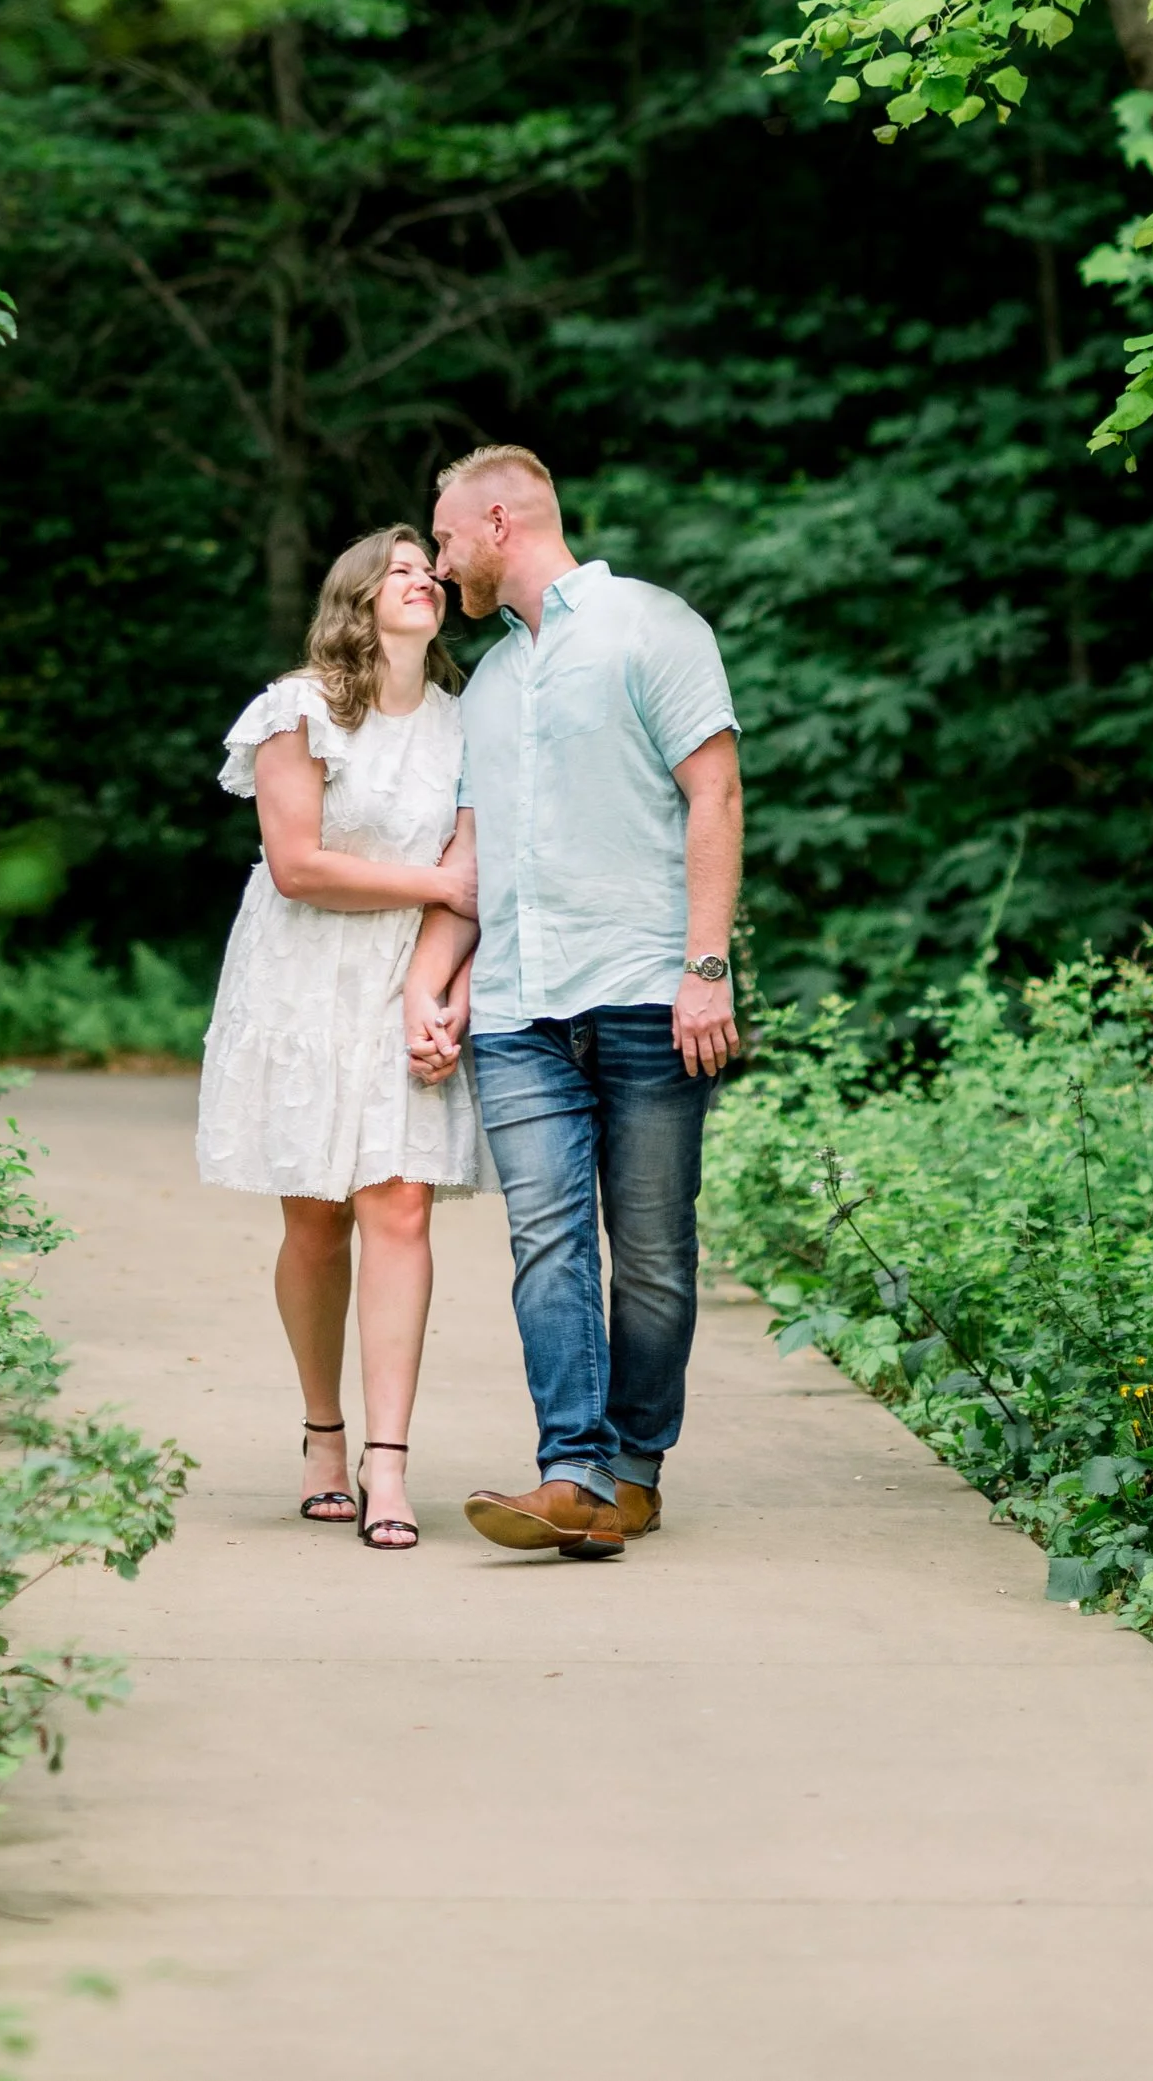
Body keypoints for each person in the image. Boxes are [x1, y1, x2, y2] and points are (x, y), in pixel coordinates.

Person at [406, 442, 741, 1561]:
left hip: (647, 988)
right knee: (547, 1241)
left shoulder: (652, 626)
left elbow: (715, 791)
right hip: (513, 1008)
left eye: (447, 538)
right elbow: (468, 857)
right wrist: (437, 985)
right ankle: (570, 1471)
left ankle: (633, 1469)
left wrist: (705, 966)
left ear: (499, 521)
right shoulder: (488, 683)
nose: (442, 561)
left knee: (649, 1250)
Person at [195, 527, 483, 1550]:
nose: (424, 580)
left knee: (399, 1203)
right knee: (317, 1215)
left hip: (408, 977)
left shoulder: (465, 722)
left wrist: (441, 991)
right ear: (357, 599)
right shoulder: (297, 709)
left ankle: (389, 1463)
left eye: (428, 570)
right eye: (401, 570)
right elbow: (296, 863)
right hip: (304, 977)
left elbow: (473, 875)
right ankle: (323, 1432)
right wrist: (434, 884)